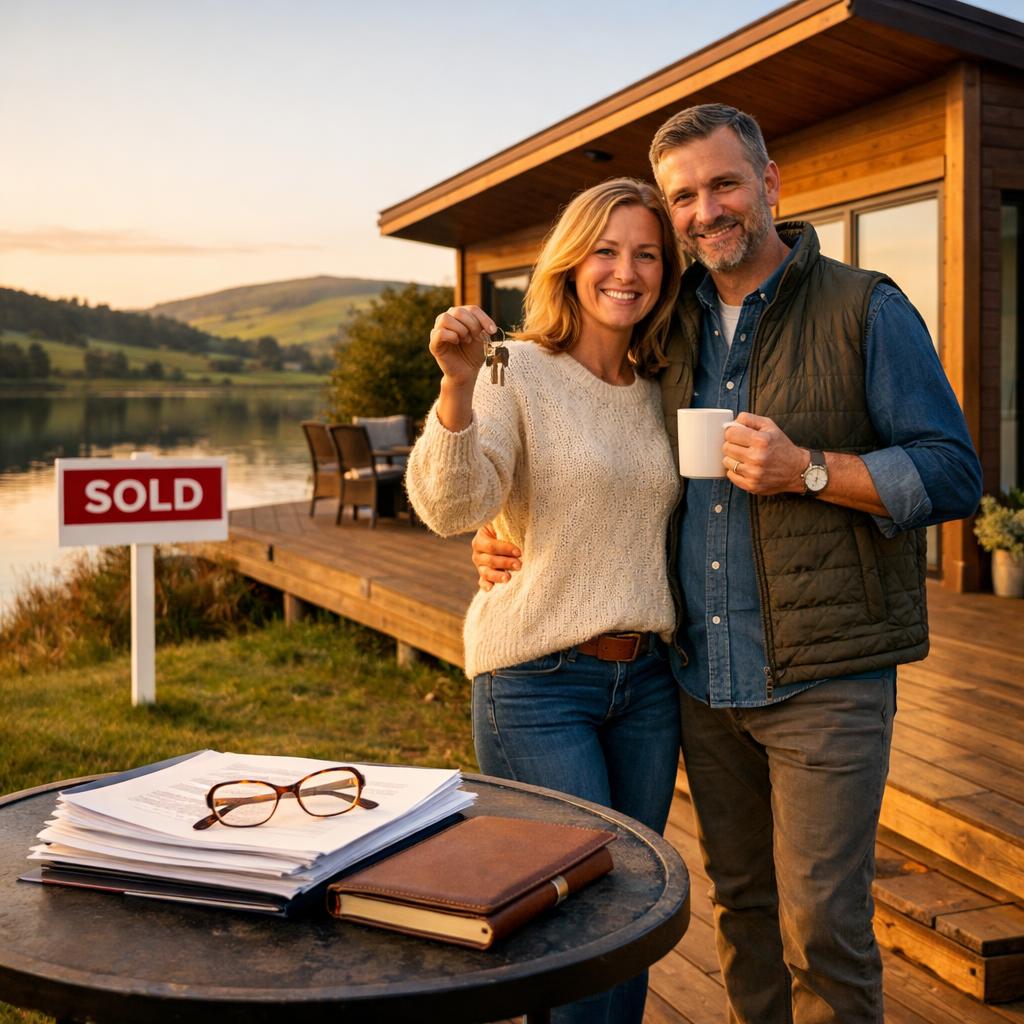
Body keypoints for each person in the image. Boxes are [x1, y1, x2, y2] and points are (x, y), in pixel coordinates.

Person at [472, 104, 983, 1024]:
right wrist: (512, 527)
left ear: (769, 184)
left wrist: (812, 470)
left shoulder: (867, 306)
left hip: (826, 680)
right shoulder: (669, 328)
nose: (705, 210)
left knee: (824, 927)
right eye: (683, 197)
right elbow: (597, 456)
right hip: (702, 685)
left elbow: (953, 473)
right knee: (740, 913)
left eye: (722, 184)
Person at [404, 177, 684, 1024]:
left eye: (645, 253)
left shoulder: (662, 385)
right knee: (574, 919)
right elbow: (452, 509)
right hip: (536, 682)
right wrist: (455, 389)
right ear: (571, 262)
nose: (626, 271)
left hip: (648, 686)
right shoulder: (511, 366)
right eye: (606, 249)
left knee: (632, 913)